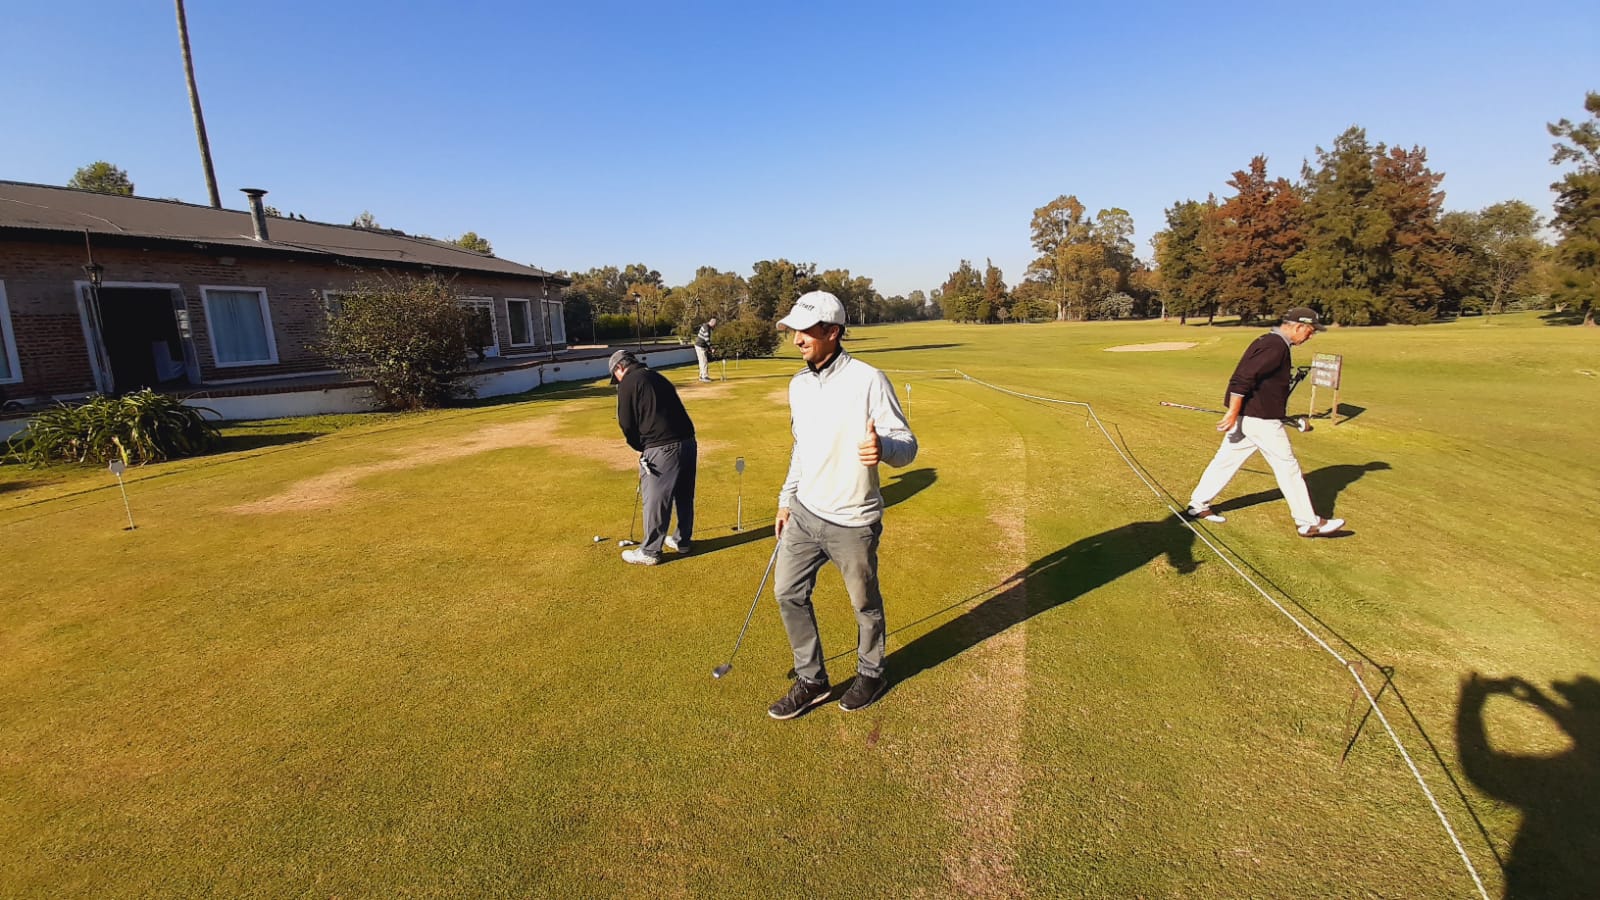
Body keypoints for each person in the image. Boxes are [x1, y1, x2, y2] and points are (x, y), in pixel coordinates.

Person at [766, 291, 918, 720]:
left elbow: (907, 446)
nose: (796, 339)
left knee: (864, 604)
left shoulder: (869, 380)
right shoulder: (798, 385)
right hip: (804, 513)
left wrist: (883, 447)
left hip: (853, 521)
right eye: (793, 331)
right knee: (787, 593)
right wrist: (785, 500)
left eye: (805, 331)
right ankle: (812, 679)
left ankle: (871, 672)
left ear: (833, 332)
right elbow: (801, 448)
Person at [1185, 307, 1346, 537]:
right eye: (1310, 331)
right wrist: (1232, 412)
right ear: (1298, 326)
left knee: (1225, 460)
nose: (1310, 336)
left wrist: (1236, 412)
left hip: (1250, 416)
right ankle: (1308, 522)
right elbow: (1243, 378)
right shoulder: (1275, 346)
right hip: (1261, 420)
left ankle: (1198, 504)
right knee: (1287, 466)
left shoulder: (1270, 341)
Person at [610, 349, 698, 565]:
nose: (617, 380)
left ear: (620, 367)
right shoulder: (657, 376)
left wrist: (641, 447)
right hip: (688, 442)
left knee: (655, 499)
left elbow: (626, 423)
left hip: (662, 447)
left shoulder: (628, 383)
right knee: (684, 495)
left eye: (615, 375)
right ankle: (682, 541)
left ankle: (650, 551)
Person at [693, 317, 718, 382]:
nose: (714, 327)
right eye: (714, 325)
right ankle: (705, 377)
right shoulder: (706, 328)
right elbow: (707, 339)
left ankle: (701, 376)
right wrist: (711, 348)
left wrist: (708, 348)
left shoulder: (706, 326)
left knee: (702, 361)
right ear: (712, 323)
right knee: (704, 361)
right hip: (700, 346)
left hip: (699, 346)